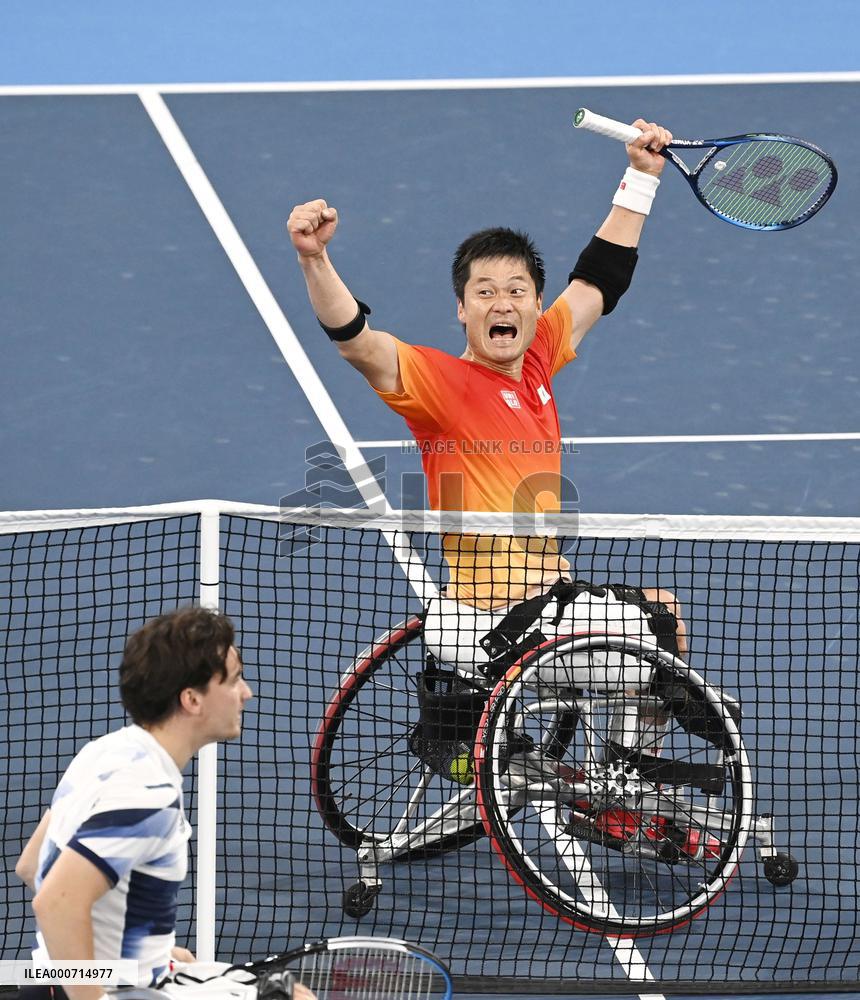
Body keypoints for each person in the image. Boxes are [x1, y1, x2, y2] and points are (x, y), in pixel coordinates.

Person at [287, 119, 685, 751]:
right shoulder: (440, 384)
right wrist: (315, 258)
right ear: (462, 308)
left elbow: (599, 281)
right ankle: (631, 766)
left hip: (548, 602)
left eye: (517, 291)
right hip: (499, 622)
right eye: (486, 292)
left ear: (535, 304)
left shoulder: (539, 355)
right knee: (662, 628)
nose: (503, 303)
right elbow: (358, 343)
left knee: (657, 609)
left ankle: (617, 764)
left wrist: (641, 177)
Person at [15, 607, 311, 1000]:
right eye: (234, 680)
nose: (246, 693)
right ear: (192, 699)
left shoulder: (103, 752)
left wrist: (146, 954)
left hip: (53, 982)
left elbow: (31, 865)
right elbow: (55, 901)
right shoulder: (147, 796)